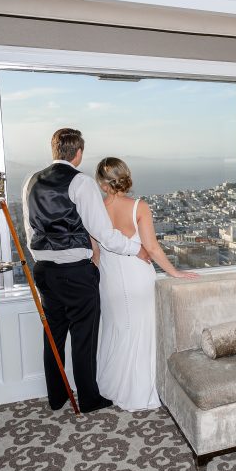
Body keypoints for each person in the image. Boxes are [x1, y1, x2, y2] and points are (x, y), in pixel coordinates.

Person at [22, 127, 151, 413]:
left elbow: (29, 229)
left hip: (44, 270)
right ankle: (89, 398)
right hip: (76, 271)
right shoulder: (80, 183)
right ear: (78, 153)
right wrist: (135, 249)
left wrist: (43, 257)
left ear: (53, 150)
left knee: (53, 335)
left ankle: (56, 396)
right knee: (84, 336)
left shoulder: (31, 181)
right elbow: (103, 233)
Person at [93, 157, 198, 411]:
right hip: (138, 277)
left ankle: (112, 386)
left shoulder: (95, 210)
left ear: (102, 183)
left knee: (116, 329)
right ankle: (139, 390)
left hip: (110, 281)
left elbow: (95, 254)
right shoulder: (139, 207)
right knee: (142, 333)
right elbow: (150, 247)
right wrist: (174, 271)